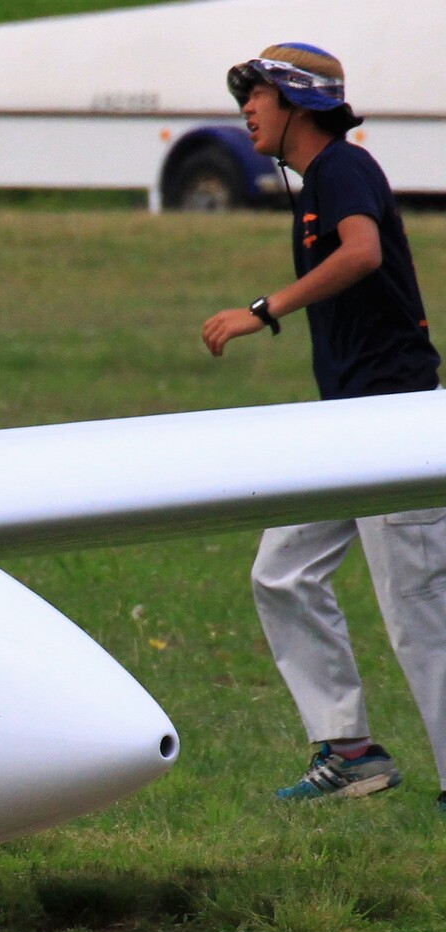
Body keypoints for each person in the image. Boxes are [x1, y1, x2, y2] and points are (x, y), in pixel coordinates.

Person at [200, 43, 444, 803]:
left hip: (392, 423)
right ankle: (351, 749)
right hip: (348, 427)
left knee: (416, 608)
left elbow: (364, 253)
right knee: (283, 572)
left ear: (298, 103)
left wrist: (262, 310)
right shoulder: (316, 186)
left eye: (257, 94)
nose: (246, 108)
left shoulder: (341, 168)